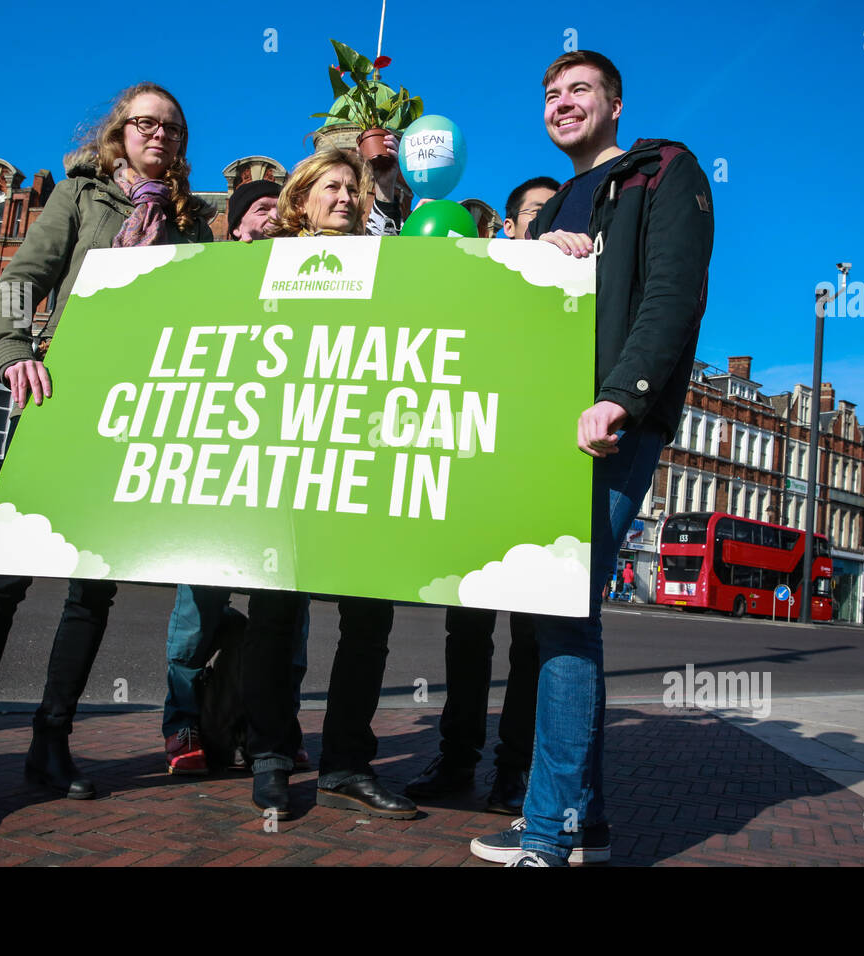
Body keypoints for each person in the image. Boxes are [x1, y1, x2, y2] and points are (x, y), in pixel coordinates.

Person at [0, 82, 215, 830]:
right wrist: (15, 350)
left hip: (139, 416)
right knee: (1, 584)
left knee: (93, 592)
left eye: (172, 128)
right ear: (119, 133)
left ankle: (51, 742)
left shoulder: (192, 225)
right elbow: (20, 283)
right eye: (146, 124)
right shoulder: (82, 199)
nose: (160, 136)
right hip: (61, 401)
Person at [470, 50, 713, 866]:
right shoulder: (556, 203)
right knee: (560, 615)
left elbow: (673, 292)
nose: (561, 103)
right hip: (544, 425)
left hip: (609, 424)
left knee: (564, 613)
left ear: (615, 103)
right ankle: (583, 819)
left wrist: (624, 394)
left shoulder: (664, 169)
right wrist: (544, 255)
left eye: (579, 90)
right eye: (549, 94)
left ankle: (548, 833)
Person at [243, 146, 417, 821]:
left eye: (354, 188)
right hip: (283, 452)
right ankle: (272, 755)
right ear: (301, 200)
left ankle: (347, 761)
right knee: (274, 613)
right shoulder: (262, 261)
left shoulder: (389, 266)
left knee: (369, 617)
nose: (345, 197)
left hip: (361, 455)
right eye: (331, 188)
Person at [403, 176, 559, 816]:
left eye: (556, 213)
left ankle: (514, 770)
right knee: (466, 633)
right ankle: (458, 755)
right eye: (533, 214)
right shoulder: (480, 284)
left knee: (530, 644)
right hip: (472, 482)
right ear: (509, 228)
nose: (544, 223)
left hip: (533, 483)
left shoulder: (567, 292)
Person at [160, 179, 318, 776]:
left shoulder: (313, 281)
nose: (275, 217)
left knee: (290, 622)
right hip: (218, 468)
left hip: (288, 472)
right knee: (196, 610)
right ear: (232, 223)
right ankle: (186, 726)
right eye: (261, 208)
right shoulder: (205, 272)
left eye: (285, 211)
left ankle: (271, 727)